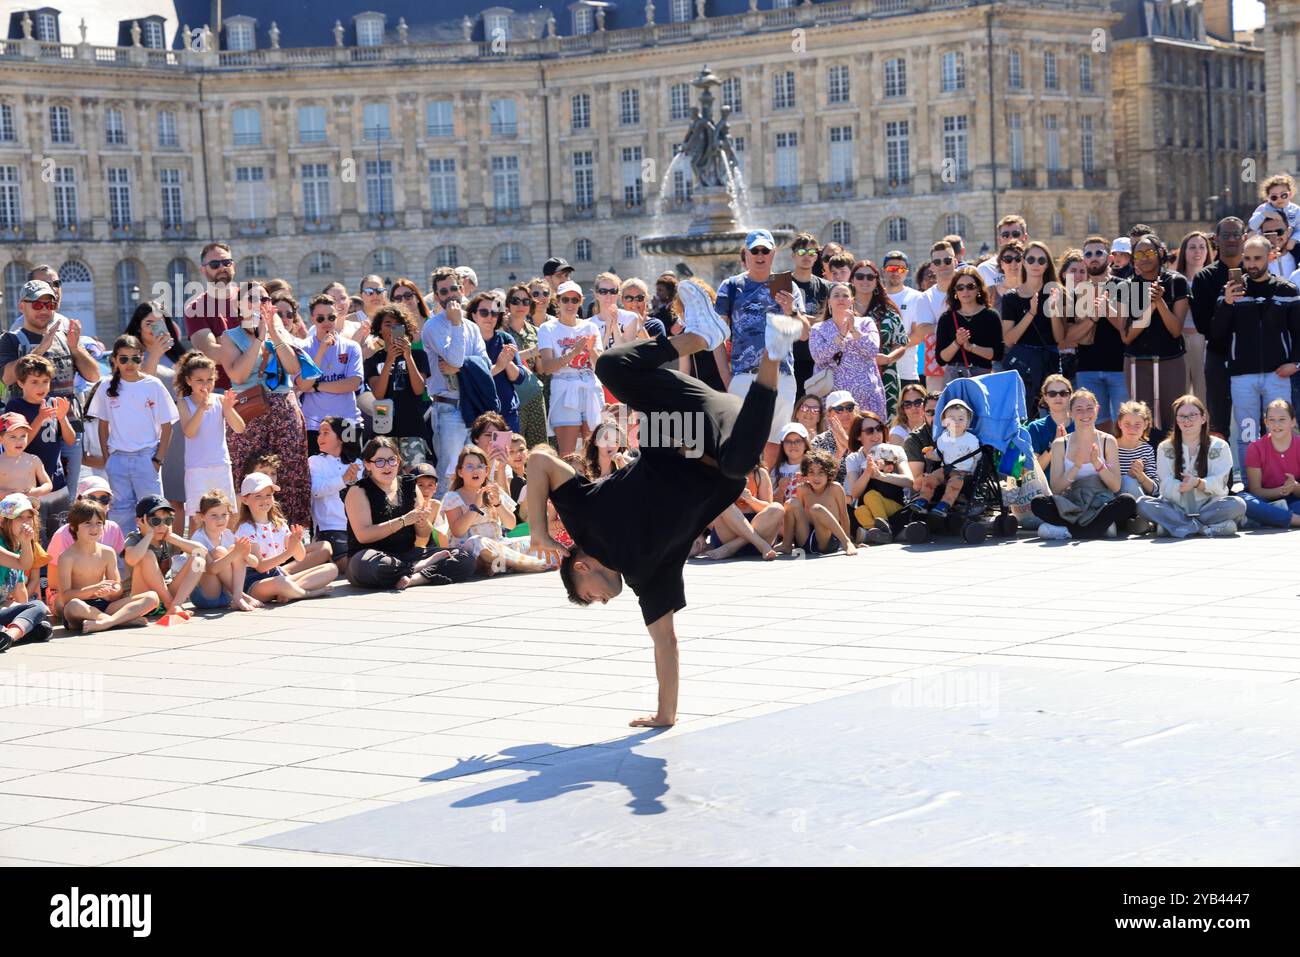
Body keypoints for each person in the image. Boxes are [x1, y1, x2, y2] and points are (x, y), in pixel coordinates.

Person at [526, 284, 803, 728]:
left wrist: (538, 530)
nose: (601, 601)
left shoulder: (583, 518)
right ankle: (775, 349)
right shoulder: (645, 577)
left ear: (581, 567)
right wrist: (664, 716)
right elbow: (666, 644)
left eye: (590, 598)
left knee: (611, 365)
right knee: (736, 460)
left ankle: (698, 336)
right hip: (725, 455)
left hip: (684, 423)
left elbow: (539, 460)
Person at [217, 282, 312, 528]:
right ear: (238, 305)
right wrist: (258, 339)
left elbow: (293, 369)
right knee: (249, 472)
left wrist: (274, 333)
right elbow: (237, 376)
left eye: (264, 298)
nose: (260, 303)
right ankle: (251, 533)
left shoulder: (278, 330)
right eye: (252, 298)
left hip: (283, 409)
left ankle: (291, 534)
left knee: (290, 472)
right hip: (249, 412)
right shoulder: (230, 336)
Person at [714, 229, 808, 470]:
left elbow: (805, 332)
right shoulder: (731, 286)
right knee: (742, 440)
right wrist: (726, 375)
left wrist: (791, 310)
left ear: (773, 253)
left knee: (775, 441)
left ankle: (768, 495)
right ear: (745, 253)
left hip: (782, 375)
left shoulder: (789, 287)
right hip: (743, 375)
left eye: (765, 250)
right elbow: (716, 336)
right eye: (754, 250)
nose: (759, 255)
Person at [0, 278, 100, 496]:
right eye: (37, 304)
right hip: (28, 433)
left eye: (49, 304)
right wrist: (40, 348)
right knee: (27, 496)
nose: (44, 310)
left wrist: (75, 347)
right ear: (22, 306)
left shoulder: (64, 337)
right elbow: (7, 377)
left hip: (67, 427)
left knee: (65, 498)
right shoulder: (11, 339)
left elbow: (93, 374)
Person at [1210, 235, 1300, 466]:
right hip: (1242, 376)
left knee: (1282, 431)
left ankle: (1284, 481)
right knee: (1247, 435)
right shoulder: (1230, 290)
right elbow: (1217, 333)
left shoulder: (1287, 290)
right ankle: (1252, 486)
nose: (1251, 264)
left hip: (1277, 374)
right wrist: (1226, 303)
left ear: (1270, 257)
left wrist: (1296, 364)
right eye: (1247, 258)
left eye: (1257, 258)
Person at [344, 437, 475, 590]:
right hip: (371, 556)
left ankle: (416, 577)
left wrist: (421, 521)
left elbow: (423, 534)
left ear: (398, 461)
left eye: (391, 460)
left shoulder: (410, 484)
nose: (387, 466)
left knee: (464, 558)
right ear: (367, 465)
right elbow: (364, 535)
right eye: (379, 461)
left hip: (406, 553)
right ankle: (419, 567)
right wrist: (404, 520)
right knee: (372, 565)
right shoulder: (358, 491)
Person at [88, 336, 179, 533]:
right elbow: (102, 425)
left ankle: (156, 560)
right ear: (114, 360)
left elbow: (167, 425)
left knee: (155, 513)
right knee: (120, 512)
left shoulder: (153, 385)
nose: (130, 364)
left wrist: (158, 460)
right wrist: (107, 458)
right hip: (118, 459)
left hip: (146, 457)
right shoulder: (106, 386)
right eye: (123, 359)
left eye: (135, 358)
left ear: (142, 358)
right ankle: (124, 562)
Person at [1030, 389, 1137, 540]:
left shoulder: (1108, 441)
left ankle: (1068, 531)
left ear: (1097, 410)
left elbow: (1115, 486)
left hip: (1101, 503)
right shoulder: (1060, 444)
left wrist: (1098, 463)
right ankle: (1097, 529)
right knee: (1038, 502)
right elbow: (1056, 488)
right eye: (1079, 410)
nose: (1085, 415)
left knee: (1127, 501)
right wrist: (1076, 466)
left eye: (1089, 409)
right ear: (1070, 413)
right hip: (1071, 504)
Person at [1135, 395, 1246, 537]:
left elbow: (1221, 484)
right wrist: (1181, 487)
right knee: (1142, 504)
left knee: (1238, 504)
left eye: (1192, 415)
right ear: (1176, 420)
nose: (1187, 421)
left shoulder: (1220, 446)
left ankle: (1173, 525)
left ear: (1203, 418)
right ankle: (1202, 528)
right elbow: (1165, 484)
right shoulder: (1165, 447)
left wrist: (1198, 483)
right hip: (1176, 507)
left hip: (1209, 507)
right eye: (1182, 416)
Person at [421, 267, 486, 494]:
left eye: (454, 288)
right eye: (444, 291)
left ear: (461, 288)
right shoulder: (433, 326)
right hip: (448, 406)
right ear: (437, 296)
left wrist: (460, 367)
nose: (450, 295)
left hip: (474, 405)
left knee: (477, 470)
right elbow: (455, 358)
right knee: (448, 472)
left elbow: (484, 364)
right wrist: (457, 323)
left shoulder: (473, 327)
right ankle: (442, 527)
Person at [1119, 233, 1189, 439]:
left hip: (1170, 360)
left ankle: (1174, 466)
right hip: (1137, 361)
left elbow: (1176, 330)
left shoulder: (1177, 282)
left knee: (1173, 420)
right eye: (1138, 253)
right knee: (1140, 422)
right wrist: (1150, 306)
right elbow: (1127, 336)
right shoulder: (1127, 286)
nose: (1144, 257)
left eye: (1149, 252)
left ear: (1160, 253)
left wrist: (1161, 302)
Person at [125, 302, 188, 525]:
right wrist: (153, 355)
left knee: (175, 498)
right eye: (149, 323)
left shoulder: (177, 354)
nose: (154, 328)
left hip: (176, 427)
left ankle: (175, 553)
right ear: (139, 328)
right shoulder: (131, 355)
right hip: (143, 429)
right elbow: (139, 389)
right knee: (147, 498)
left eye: (159, 323)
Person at [441, 446, 548, 575]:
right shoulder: (452, 496)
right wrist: (476, 505)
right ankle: (526, 565)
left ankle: (498, 565)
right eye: (469, 466)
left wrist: (498, 503)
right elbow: (458, 532)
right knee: (478, 541)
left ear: (486, 471)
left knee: (534, 540)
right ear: (460, 472)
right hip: (470, 551)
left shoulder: (494, 491)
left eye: (480, 466)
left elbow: (511, 525)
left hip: (499, 546)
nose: (475, 470)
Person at [57, 499, 158, 633]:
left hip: (104, 604)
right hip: (80, 608)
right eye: (88, 523)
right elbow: (65, 597)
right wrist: (94, 589)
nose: (94, 528)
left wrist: (111, 591)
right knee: (73, 605)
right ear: (73, 527)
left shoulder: (107, 552)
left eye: (99, 523)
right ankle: (119, 620)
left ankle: (108, 622)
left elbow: (117, 588)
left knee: (152, 597)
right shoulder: (67, 557)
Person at [235, 472, 337, 602]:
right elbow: (260, 567)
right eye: (258, 496)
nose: (264, 500)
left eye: (268, 495)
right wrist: (289, 552)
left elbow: (300, 557)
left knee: (331, 569)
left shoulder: (279, 524)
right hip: (254, 582)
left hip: (277, 575)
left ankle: (288, 592)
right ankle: (305, 593)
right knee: (280, 582)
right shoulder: (246, 528)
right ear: (245, 500)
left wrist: (296, 542)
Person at [5, 354, 74, 542]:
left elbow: (70, 439)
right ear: (20, 383)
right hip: (30, 486)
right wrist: (39, 418)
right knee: (35, 535)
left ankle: (56, 570)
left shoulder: (54, 403)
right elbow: (19, 444)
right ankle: (38, 572)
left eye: (45, 381)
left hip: (57, 480)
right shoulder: (16, 406)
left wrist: (61, 417)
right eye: (34, 382)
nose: (41, 387)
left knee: (60, 534)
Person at [1191, 218, 1245, 439]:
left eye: (1236, 234)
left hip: (1251, 357)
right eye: (1226, 235)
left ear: (1245, 238)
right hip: (1218, 357)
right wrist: (1226, 304)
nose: (1231, 239)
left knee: (1253, 422)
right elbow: (1204, 326)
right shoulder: (1204, 278)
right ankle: (1223, 473)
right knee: (1219, 423)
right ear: (1216, 240)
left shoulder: (1256, 272)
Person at [174, 351, 243, 523]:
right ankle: (196, 551)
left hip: (221, 465)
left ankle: (225, 549)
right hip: (196, 468)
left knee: (226, 515)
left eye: (209, 379)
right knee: (198, 518)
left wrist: (228, 408)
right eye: (199, 380)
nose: (205, 384)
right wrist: (202, 408)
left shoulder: (220, 400)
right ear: (189, 381)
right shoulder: (183, 403)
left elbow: (240, 428)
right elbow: (189, 432)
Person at [537, 279, 603, 456]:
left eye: (575, 300)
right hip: (564, 389)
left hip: (589, 387)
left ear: (581, 302)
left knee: (594, 453)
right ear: (557, 301)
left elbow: (600, 366)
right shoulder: (547, 328)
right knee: (568, 454)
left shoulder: (590, 326)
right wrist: (574, 353)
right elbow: (548, 367)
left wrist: (590, 350)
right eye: (565, 299)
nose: (570, 304)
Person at [297, 293, 364, 456]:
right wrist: (320, 352)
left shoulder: (352, 347)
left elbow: (353, 383)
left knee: (352, 475)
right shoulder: (303, 347)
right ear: (312, 319)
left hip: (347, 422)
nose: (326, 322)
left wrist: (317, 386)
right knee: (317, 476)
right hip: (315, 425)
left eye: (331, 317)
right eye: (320, 318)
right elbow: (304, 385)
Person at [365, 304, 432, 466]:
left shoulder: (418, 356)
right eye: (387, 324)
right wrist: (389, 361)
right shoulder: (373, 361)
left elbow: (418, 389)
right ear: (379, 329)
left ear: (405, 329)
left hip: (413, 429)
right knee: (386, 478)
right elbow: (378, 394)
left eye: (397, 325)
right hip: (385, 432)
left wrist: (407, 357)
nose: (392, 329)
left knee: (414, 478)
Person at [1074, 235, 1128, 432]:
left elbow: (1125, 327)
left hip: (1119, 367)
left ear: (1110, 258)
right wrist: (1092, 318)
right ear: (1084, 260)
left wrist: (1106, 309)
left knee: (1123, 424)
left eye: (1099, 252)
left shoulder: (1123, 286)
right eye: (1088, 254)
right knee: (1096, 427)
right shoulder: (1078, 290)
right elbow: (1072, 337)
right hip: (1087, 368)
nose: (1093, 257)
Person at [121, 494, 206, 619]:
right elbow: (131, 559)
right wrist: (149, 534)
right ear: (140, 521)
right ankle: (170, 604)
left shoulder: (167, 538)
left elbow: (202, 551)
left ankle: (176, 605)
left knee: (199, 559)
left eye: (167, 521)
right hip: (141, 598)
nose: (162, 526)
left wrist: (172, 538)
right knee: (147, 556)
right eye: (155, 521)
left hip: (165, 593)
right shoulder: (135, 538)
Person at [809, 281, 887, 417]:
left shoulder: (866, 323)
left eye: (845, 296)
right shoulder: (818, 328)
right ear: (829, 301)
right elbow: (818, 357)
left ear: (852, 301)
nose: (841, 299)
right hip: (833, 399)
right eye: (836, 295)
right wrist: (841, 336)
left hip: (867, 397)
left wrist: (854, 331)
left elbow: (873, 350)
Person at [1001, 240, 1060, 406]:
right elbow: (1008, 339)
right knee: (1024, 414)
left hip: (1049, 363)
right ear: (1024, 262)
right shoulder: (1011, 297)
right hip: (1023, 365)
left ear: (1047, 265)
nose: (1036, 264)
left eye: (1041, 260)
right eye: (1031, 259)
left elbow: (1060, 337)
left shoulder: (1056, 292)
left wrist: (1054, 310)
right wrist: (1031, 312)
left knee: (1052, 414)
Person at [180, 490, 259, 612]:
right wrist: (235, 553)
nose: (220, 520)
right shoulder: (198, 538)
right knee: (221, 551)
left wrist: (244, 553)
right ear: (202, 517)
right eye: (213, 515)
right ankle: (241, 596)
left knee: (234, 550)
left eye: (224, 515)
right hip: (206, 595)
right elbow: (212, 569)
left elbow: (255, 564)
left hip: (226, 595)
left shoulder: (228, 535)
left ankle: (238, 596)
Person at [851, 259, 908, 417]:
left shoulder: (888, 311)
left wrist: (889, 358)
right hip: (849, 376)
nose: (865, 281)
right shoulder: (843, 309)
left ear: (877, 281)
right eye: (860, 276)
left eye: (870, 277)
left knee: (884, 426)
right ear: (852, 280)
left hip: (885, 376)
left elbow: (901, 343)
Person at [844, 410, 910, 545]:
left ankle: (873, 533)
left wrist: (881, 475)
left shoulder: (895, 450)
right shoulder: (854, 458)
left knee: (912, 508)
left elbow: (909, 481)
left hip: (893, 506)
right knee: (858, 510)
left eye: (879, 428)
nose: (876, 434)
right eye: (869, 431)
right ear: (858, 436)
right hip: (868, 509)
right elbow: (855, 493)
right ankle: (889, 533)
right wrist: (868, 472)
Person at [183, 242, 240, 390]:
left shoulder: (251, 297)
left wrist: (227, 344)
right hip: (225, 393)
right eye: (215, 264)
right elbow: (211, 353)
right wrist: (254, 345)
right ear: (203, 270)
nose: (222, 267)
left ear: (233, 265)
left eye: (226, 262)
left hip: (262, 388)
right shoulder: (195, 308)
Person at [778, 448, 857, 556]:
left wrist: (849, 540)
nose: (816, 477)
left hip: (826, 540)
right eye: (811, 472)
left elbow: (844, 516)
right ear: (806, 474)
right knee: (791, 503)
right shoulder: (803, 488)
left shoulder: (835, 488)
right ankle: (786, 544)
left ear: (829, 474)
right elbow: (799, 517)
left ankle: (846, 542)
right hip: (807, 538)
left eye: (821, 473)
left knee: (817, 508)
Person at [468, 292, 527, 433]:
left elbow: (519, 378)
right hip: (478, 416)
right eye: (484, 312)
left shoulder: (505, 338)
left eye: (494, 313)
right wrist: (500, 365)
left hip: (507, 414)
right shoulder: (467, 341)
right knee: (480, 455)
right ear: (474, 315)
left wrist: (507, 362)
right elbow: (472, 378)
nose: (490, 317)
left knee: (506, 454)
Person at [309, 416, 361, 572]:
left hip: (358, 527)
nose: (319, 437)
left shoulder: (358, 463)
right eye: (319, 433)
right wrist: (343, 479)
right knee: (354, 565)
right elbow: (316, 491)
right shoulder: (315, 461)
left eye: (325, 432)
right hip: (330, 529)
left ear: (342, 437)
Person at [0, 495, 52, 651]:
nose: (26, 521)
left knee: (40, 614)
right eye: (19, 517)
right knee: (38, 627)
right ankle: (11, 633)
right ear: (3, 521)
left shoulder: (17, 546)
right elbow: (24, 563)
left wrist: (29, 611)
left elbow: (20, 589)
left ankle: (8, 636)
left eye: (29, 517)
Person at [934, 267, 1003, 382]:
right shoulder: (947, 318)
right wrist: (957, 343)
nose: (965, 291)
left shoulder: (991, 316)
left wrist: (971, 347)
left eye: (970, 287)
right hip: (955, 377)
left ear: (979, 289)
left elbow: (998, 354)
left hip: (982, 376)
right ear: (955, 291)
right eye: (960, 288)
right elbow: (941, 359)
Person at [1240, 399, 1300, 529]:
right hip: (1265, 500)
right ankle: (1293, 520)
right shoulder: (1255, 448)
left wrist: (1294, 487)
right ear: (1266, 422)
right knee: (1243, 500)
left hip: (1294, 501)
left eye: (1282, 419)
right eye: (1271, 420)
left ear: (1293, 422)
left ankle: (1268, 518)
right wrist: (1281, 491)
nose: (1276, 424)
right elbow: (1255, 490)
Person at [914, 398, 979, 517]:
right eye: (952, 419)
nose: (956, 422)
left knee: (954, 484)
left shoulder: (971, 440)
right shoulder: (943, 438)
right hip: (946, 469)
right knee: (930, 479)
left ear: (968, 422)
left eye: (961, 419)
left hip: (962, 472)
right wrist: (931, 455)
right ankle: (923, 501)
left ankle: (944, 505)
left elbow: (977, 457)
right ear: (944, 422)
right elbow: (939, 456)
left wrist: (973, 471)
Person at [880, 250, 935, 389]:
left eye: (901, 268)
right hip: (878, 369)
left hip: (906, 371)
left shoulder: (916, 297)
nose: (896, 272)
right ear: (883, 271)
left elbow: (918, 335)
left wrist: (892, 351)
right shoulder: (876, 297)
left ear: (906, 272)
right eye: (892, 268)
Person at [504, 282, 548, 450]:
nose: (521, 305)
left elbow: (541, 369)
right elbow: (504, 359)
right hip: (511, 397)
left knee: (538, 447)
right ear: (508, 305)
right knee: (513, 447)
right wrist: (533, 351)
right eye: (515, 301)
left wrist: (538, 354)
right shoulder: (502, 331)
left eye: (525, 301)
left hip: (534, 395)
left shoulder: (536, 331)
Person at [789, 232, 832, 396]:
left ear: (816, 257)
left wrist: (800, 317)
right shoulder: (783, 284)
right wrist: (816, 320)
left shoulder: (825, 287)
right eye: (801, 252)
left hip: (818, 360)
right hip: (790, 359)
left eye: (812, 253)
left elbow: (831, 322)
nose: (806, 256)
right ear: (793, 255)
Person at [1174, 230, 1215, 403]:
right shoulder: (1175, 280)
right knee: (1181, 394)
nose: (1197, 251)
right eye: (1192, 247)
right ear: (1184, 252)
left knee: (1204, 393)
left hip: (1203, 340)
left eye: (1201, 247)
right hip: (1180, 339)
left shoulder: (1213, 279)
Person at [1026, 374, 1075, 479]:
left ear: (1070, 396)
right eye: (1052, 393)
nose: (1058, 397)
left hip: (1078, 488)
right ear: (1045, 397)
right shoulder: (1035, 428)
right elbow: (1032, 472)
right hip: (1047, 491)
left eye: (1063, 393)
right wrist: (1053, 446)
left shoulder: (1080, 425)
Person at [1248, 173, 1300, 256]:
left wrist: (1294, 239)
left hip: (1290, 245)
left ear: (1290, 194)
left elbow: (1299, 229)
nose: (1279, 199)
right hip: (1267, 245)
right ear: (1268, 197)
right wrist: (1264, 214)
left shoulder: (1295, 210)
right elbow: (1252, 226)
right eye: (1274, 197)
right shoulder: (1263, 209)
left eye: (1283, 195)